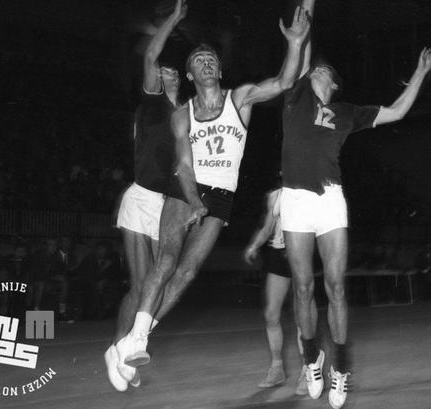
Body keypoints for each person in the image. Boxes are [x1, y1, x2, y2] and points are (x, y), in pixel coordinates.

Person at [116, 4, 311, 380]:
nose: (206, 62)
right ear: (190, 74)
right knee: (167, 260)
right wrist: (192, 201)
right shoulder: (181, 114)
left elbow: (284, 82)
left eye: (211, 59)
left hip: (222, 195)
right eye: (199, 59)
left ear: (219, 70)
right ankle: (137, 340)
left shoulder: (241, 98)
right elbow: (185, 166)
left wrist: (296, 43)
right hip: (185, 190)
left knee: (187, 273)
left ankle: (134, 338)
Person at [280, 1, 431, 407]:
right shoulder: (296, 95)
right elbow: (305, 37)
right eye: (312, 68)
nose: (315, 70)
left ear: (333, 84)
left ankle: (340, 368)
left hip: (330, 198)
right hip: (296, 198)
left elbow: (399, 111)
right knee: (302, 288)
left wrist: (420, 72)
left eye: (323, 71)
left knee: (335, 286)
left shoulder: (349, 112)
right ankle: (310, 357)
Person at [105, 0, 187, 392]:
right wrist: (173, 18)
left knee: (159, 282)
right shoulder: (152, 101)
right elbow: (153, 51)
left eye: (172, 70)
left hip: (166, 206)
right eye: (162, 69)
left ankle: (124, 348)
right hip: (140, 198)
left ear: (180, 80)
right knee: (141, 286)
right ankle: (118, 352)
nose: (165, 71)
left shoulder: (184, 117)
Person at [243, 184, 318, 395]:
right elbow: (267, 227)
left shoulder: (311, 192)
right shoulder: (275, 195)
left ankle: (308, 368)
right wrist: (254, 245)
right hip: (277, 255)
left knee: (301, 315)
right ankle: (277, 369)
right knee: (270, 314)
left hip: (302, 253)